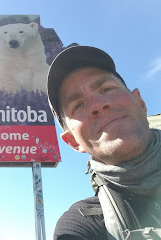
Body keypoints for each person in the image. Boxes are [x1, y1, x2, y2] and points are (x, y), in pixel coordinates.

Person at [47, 46, 161, 239]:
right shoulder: (82, 223)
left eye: (106, 89)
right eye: (78, 105)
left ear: (140, 103)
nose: (97, 105)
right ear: (73, 142)